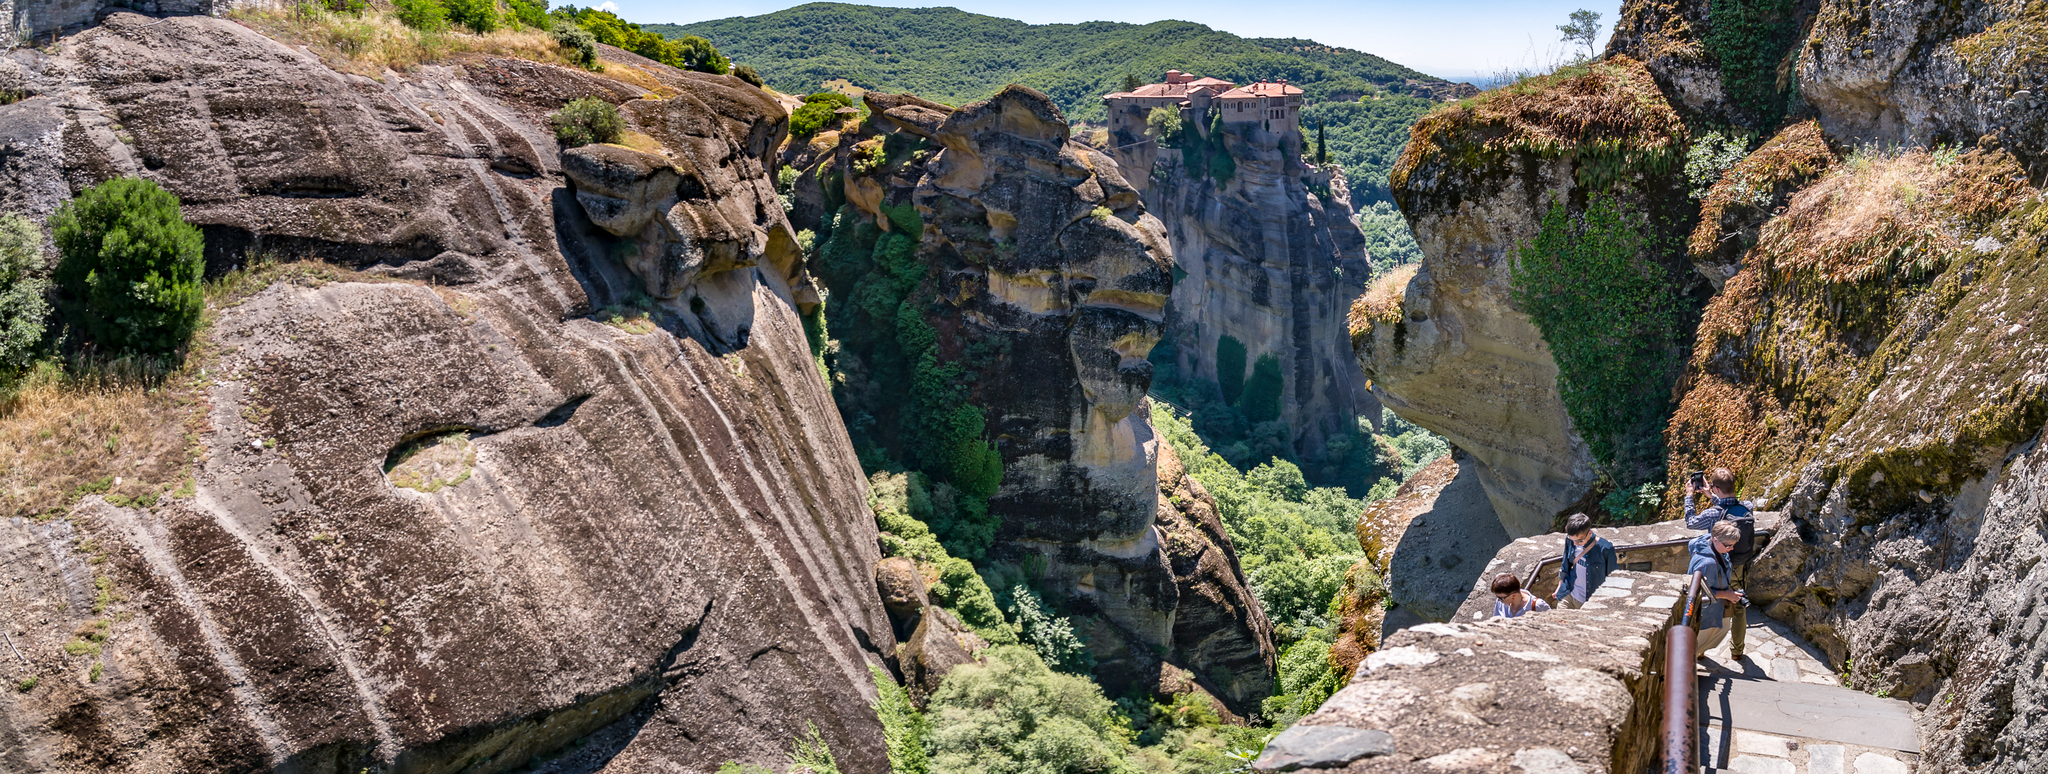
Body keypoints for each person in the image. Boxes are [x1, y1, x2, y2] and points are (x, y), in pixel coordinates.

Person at [1685, 467, 1756, 659]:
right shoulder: (1747, 507)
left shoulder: (1713, 514)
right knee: (1739, 603)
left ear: (1716, 488)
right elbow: (1731, 506)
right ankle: (1737, 650)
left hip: (1720, 564)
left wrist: (1690, 495)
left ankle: (1698, 649)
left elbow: (1690, 522)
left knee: (1706, 601)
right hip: (1741, 562)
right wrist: (1712, 494)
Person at [1687, 520, 1749, 658]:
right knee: (1699, 642)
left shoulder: (1709, 545)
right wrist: (1726, 594)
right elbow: (1697, 592)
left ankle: (1698, 655)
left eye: (1733, 545)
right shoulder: (1706, 563)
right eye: (1728, 545)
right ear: (1715, 539)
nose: (1731, 549)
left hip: (1712, 609)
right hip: (1707, 613)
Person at [1553, 513, 1617, 609]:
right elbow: (1565, 564)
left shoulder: (1605, 549)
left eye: (1579, 541)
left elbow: (1612, 577)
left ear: (1589, 533)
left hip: (1589, 601)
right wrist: (1560, 584)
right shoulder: (1570, 540)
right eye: (1572, 539)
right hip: (1568, 592)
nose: (1575, 543)